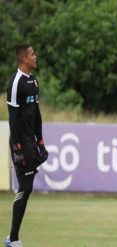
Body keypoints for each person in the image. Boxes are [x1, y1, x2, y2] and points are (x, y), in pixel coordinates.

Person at [4, 44, 49, 247]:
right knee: (26, 186)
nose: (35, 56)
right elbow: (13, 119)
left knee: (27, 187)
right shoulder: (15, 83)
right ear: (24, 59)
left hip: (31, 142)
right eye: (32, 54)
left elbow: (36, 114)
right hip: (20, 142)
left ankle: (12, 238)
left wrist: (40, 141)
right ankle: (13, 239)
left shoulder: (34, 81)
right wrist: (18, 149)